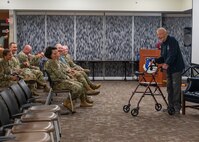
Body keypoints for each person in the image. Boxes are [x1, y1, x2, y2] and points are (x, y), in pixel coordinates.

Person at [44, 46, 93, 112]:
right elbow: (59, 75)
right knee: (78, 87)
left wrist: (69, 74)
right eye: (54, 53)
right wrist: (69, 78)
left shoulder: (55, 61)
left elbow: (63, 71)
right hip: (57, 83)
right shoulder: (51, 62)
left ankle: (82, 102)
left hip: (61, 80)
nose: (57, 54)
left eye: (57, 52)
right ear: (50, 55)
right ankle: (67, 102)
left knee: (80, 84)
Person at [154, 27, 185, 115]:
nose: (159, 37)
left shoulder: (172, 40)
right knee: (169, 88)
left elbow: (173, 54)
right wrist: (155, 60)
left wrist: (166, 63)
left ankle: (177, 108)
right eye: (158, 35)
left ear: (165, 33)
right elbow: (163, 57)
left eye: (161, 35)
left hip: (176, 68)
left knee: (176, 88)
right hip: (169, 69)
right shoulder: (163, 44)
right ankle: (170, 107)